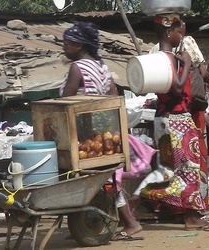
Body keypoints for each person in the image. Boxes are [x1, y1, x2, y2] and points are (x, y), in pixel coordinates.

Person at [60, 21, 143, 240]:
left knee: (93, 178)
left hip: (83, 135)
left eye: (67, 44)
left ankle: (131, 223)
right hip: (104, 133)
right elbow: (114, 97)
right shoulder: (102, 66)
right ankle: (84, 222)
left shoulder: (77, 67)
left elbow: (64, 102)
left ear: (79, 45)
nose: (64, 48)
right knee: (103, 179)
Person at [137, 13, 209, 230]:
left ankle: (141, 200)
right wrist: (188, 62)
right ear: (168, 32)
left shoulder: (158, 57)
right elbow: (178, 87)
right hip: (178, 119)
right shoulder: (170, 58)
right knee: (189, 168)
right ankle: (190, 217)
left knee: (169, 170)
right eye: (178, 32)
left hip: (164, 118)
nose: (180, 36)